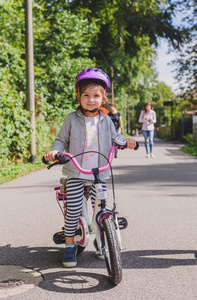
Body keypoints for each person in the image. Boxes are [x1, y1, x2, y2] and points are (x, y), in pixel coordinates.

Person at [44, 67, 136, 268]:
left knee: (102, 208)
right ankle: (69, 245)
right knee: (74, 211)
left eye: (96, 95)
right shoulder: (71, 119)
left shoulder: (106, 120)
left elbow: (115, 138)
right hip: (76, 173)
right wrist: (54, 151)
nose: (91, 99)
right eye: (86, 95)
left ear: (104, 98)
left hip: (99, 173)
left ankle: (103, 238)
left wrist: (125, 141)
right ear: (78, 96)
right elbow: (61, 140)